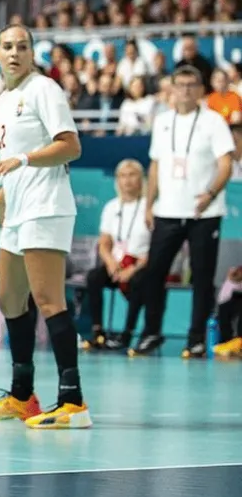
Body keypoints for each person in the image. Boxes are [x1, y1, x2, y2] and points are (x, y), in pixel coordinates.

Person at [0, 23, 88, 429]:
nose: (15, 52)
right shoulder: (3, 101)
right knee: (9, 300)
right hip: (16, 210)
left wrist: (25, 159)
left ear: (32, 54)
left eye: (23, 46)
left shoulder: (44, 89)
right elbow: (11, 169)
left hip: (46, 206)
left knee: (48, 299)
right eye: (8, 46)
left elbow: (70, 146)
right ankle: (23, 396)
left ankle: (73, 401)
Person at [131, 65, 234, 358]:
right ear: (172, 89)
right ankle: (151, 332)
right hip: (167, 211)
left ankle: (196, 338)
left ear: (201, 89)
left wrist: (210, 194)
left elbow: (226, 164)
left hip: (205, 213)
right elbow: (155, 165)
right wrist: (149, 204)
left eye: (192, 85)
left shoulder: (214, 121)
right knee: (154, 273)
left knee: (201, 277)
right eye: (181, 84)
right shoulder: (163, 122)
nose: (186, 90)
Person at [82, 159, 149, 352]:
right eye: (122, 176)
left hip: (141, 264)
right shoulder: (112, 207)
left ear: (141, 179)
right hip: (117, 263)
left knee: (138, 281)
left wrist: (132, 269)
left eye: (132, 175)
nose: (127, 180)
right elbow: (104, 242)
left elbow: (157, 248)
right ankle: (98, 332)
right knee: (94, 277)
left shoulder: (149, 207)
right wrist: (110, 262)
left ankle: (127, 334)